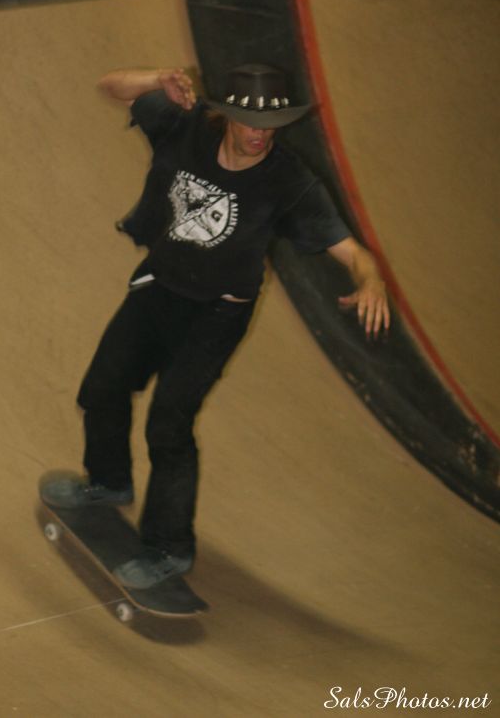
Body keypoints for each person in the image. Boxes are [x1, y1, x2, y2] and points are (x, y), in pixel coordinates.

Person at [42, 64, 390, 589]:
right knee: (103, 387)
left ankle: (170, 547)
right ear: (226, 116)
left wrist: (372, 281)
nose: (260, 135)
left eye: (270, 126)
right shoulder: (186, 125)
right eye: (250, 123)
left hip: (217, 316)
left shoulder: (289, 181)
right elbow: (110, 86)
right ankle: (109, 482)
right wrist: (155, 80)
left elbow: (353, 252)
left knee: (169, 423)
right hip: (160, 289)